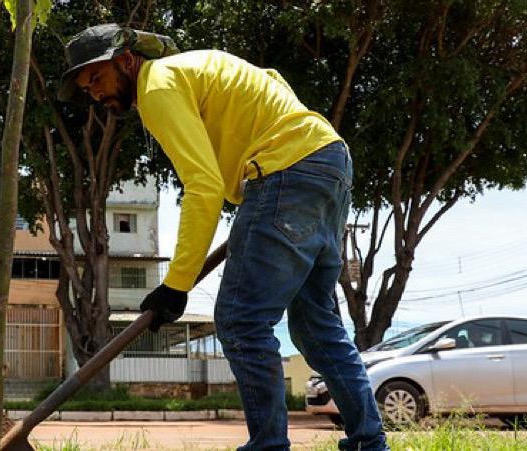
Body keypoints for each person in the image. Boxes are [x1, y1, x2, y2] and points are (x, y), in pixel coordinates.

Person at [58, 24, 389, 451]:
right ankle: (370, 442)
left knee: (240, 320)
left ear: (125, 61)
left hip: (283, 170)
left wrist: (176, 285)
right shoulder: (197, 67)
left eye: (97, 78)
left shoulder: (157, 85)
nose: (95, 94)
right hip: (328, 163)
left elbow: (203, 186)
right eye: (87, 89)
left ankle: (268, 445)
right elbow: (273, 81)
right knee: (315, 327)